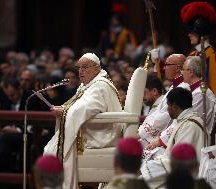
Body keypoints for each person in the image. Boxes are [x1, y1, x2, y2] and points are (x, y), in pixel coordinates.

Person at [44, 53, 122, 189]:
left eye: (85, 67)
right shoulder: (89, 84)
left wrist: (64, 112)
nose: (80, 71)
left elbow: (86, 107)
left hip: (101, 135)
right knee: (50, 149)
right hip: (93, 130)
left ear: (96, 68)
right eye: (79, 67)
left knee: (52, 150)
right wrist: (64, 108)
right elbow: (78, 106)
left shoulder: (100, 86)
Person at [138, 54, 189, 154]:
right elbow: (157, 113)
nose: (164, 68)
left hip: (174, 138)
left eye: (167, 65)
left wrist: (142, 133)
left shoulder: (183, 88)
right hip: (163, 135)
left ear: (177, 68)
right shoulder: (174, 87)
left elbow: (165, 116)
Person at [181, 1, 216, 97]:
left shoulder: (212, 55)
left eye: (192, 32)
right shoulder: (193, 54)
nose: (189, 35)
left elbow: (215, 88)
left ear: (200, 32)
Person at [182, 56, 216, 145]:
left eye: (183, 69)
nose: (181, 72)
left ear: (191, 72)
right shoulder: (196, 91)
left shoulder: (200, 93)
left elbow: (189, 122)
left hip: (206, 144)